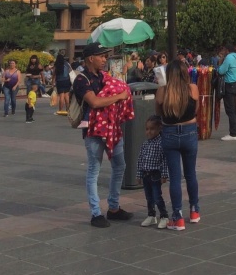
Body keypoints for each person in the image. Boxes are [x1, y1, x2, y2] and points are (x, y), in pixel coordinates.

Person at [72, 42, 133, 228]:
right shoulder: (82, 80)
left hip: (112, 128)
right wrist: (120, 97)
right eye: (102, 56)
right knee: (94, 170)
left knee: (119, 165)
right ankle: (96, 213)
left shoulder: (104, 76)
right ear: (91, 58)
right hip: (93, 131)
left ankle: (113, 207)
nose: (105, 59)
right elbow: (95, 102)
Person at [155, 60, 200, 229]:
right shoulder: (192, 88)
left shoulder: (162, 91)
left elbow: (158, 112)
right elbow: (195, 110)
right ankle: (195, 211)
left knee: (175, 177)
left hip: (169, 133)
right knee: (191, 174)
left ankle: (178, 217)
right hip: (189, 131)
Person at [137, 115, 169, 228]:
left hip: (155, 175)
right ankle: (151, 215)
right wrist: (139, 174)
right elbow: (140, 159)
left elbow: (164, 160)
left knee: (157, 196)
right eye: (147, 129)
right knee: (148, 197)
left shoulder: (161, 143)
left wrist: (164, 175)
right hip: (146, 175)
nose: (148, 132)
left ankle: (164, 216)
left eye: (152, 129)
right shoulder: (145, 144)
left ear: (159, 129)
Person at [217, 44, 236, 140]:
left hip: (229, 85)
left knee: (230, 110)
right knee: (235, 109)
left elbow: (221, 71)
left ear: (227, 50)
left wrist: (220, 62)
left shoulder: (228, 58)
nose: (223, 52)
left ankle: (232, 134)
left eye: (224, 50)